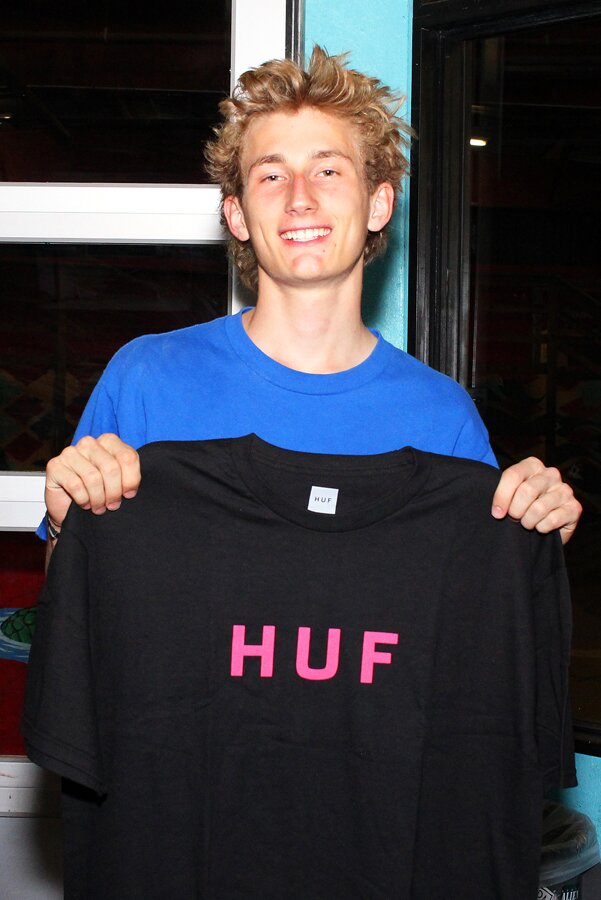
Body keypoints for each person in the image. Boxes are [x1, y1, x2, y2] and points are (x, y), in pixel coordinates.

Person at [40, 46, 581, 558]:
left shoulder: (442, 417)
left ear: (378, 204)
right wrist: (67, 525)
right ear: (237, 216)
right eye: (272, 175)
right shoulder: (147, 380)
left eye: (328, 170)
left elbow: (472, 604)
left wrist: (533, 543)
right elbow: (77, 601)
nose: (300, 198)